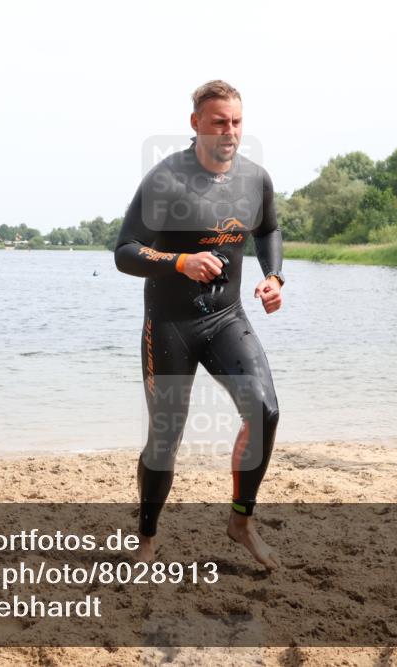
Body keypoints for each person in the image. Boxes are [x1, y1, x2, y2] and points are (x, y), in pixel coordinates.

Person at [115, 80, 283, 568]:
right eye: (219, 122)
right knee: (166, 435)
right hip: (171, 322)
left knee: (265, 412)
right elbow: (125, 251)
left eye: (236, 122)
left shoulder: (255, 180)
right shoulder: (166, 181)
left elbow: (268, 228)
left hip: (228, 317)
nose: (229, 132)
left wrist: (274, 276)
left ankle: (240, 521)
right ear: (195, 124)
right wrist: (179, 262)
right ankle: (146, 537)